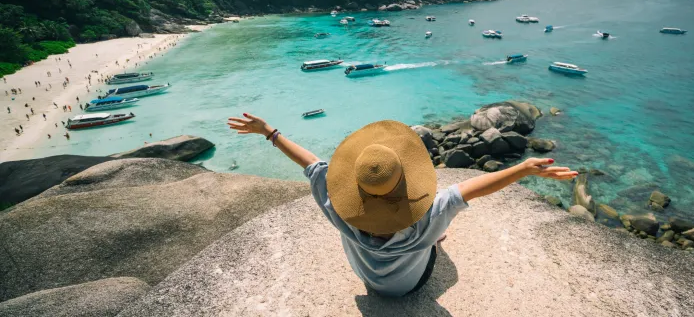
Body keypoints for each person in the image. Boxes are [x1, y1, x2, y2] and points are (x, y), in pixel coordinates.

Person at [226, 115, 577, 296]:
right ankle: (435, 241)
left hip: (369, 278)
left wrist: (269, 132)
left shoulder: (335, 207)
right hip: (412, 285)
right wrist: (523, 168)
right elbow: (470, 190)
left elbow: (311, 164)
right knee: (438, 226)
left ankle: (415, 234)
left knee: (436, 220)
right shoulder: (427, 219)